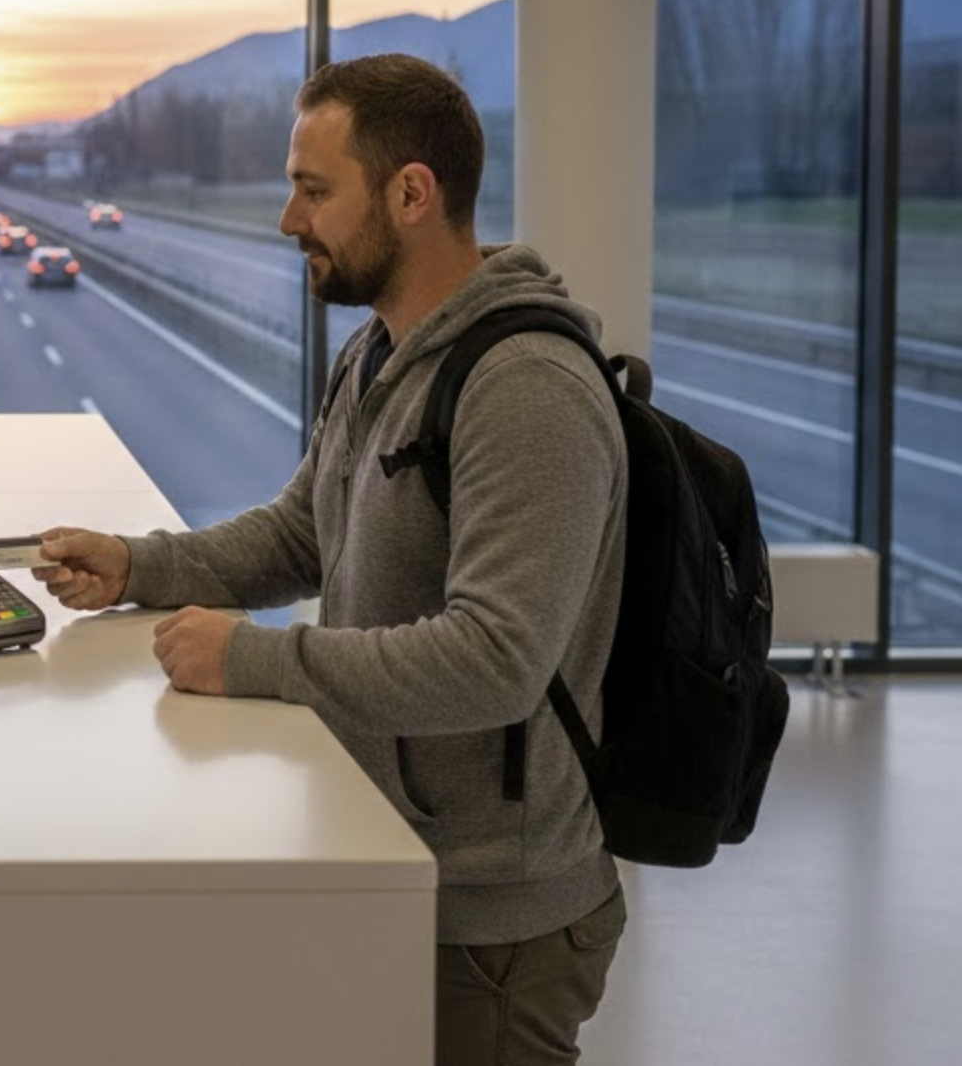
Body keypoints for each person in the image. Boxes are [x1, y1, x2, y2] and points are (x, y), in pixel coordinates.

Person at [34, 53, 628, 1066]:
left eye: (314, 191)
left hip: (493, 919)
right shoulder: (380, 352)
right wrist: (138, 566)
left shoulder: (526, 388)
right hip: (387, 857)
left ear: (411, 194)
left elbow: (497, 660)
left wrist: (255, 660)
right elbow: (301, 535)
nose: (286, 220)